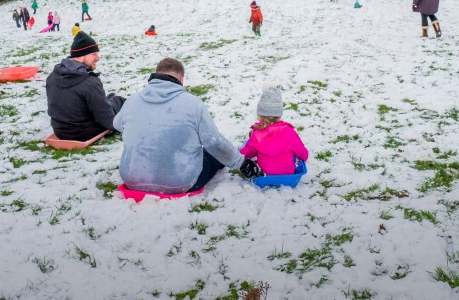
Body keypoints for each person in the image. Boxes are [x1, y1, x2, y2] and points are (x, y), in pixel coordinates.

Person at [114, 58, 263, 193]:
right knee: (211, 154)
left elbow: (117, 124)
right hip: (180, 182)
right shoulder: (192, 104)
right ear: (181, 79)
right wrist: (241, 163)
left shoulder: (132, 101)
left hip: (132, 180)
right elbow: (213, 142)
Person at [46, 31, 125, 142]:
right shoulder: (90, 82)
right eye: (93, 54)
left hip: (61, 130)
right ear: (82, 55)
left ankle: (109, 101)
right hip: (84, 132)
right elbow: (109, 121)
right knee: (118, 100)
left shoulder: (52, 76)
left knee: (108, 99)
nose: (97, 58)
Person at [240, 84, 310, 175]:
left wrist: (238, 153)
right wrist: (302, 157)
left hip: (265, 173)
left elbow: (248, 153)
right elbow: (303, 154)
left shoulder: (258, 134)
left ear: (260, 115)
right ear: (279, 115)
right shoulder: (289, 132)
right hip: (288, 174)